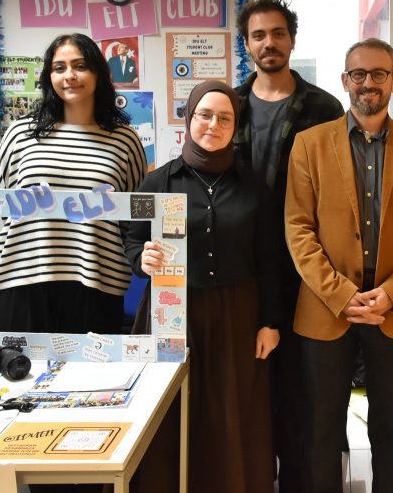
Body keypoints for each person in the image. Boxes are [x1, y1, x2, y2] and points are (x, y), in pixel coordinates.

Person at [285, 38, 393, 493]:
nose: (368, 83)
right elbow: (298, 229)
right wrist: (340, 294)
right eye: (359, 74)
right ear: (345, 80)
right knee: (321, 429)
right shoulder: (309, 145)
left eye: (379, 74)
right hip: (325, 309)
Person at [126, 81, 280, 493]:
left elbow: (270, 261)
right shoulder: (155, 182)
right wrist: (141, 258)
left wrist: (270, 323)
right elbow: (131, 240)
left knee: (233, 411)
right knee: (171, 408)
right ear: (189, 119)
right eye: (205, 115)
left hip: (238, 315)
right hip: (172, 312)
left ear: (236, 125)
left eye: (225, 118)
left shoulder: (255, 188)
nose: (214, 124)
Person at [233, 0, 344, 492]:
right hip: (244, 268)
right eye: (259, 35)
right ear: (247, 44)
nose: (269, 43)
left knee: (306, 397)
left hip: (308, 269)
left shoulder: (324, 108)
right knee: (253, 391)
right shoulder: (230, 106)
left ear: (292, 40)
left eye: (278, 33)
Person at [0, 33, 146, 334]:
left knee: (94, 368)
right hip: (23, 277)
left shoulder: (124, 139)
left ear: (98, 73)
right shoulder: (20, 133)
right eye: (59, 68)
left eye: (80, 66)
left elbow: (132, 217)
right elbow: (4, 207)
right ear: (49, 77)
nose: (69, 75)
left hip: (97, 281)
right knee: (26, 367)